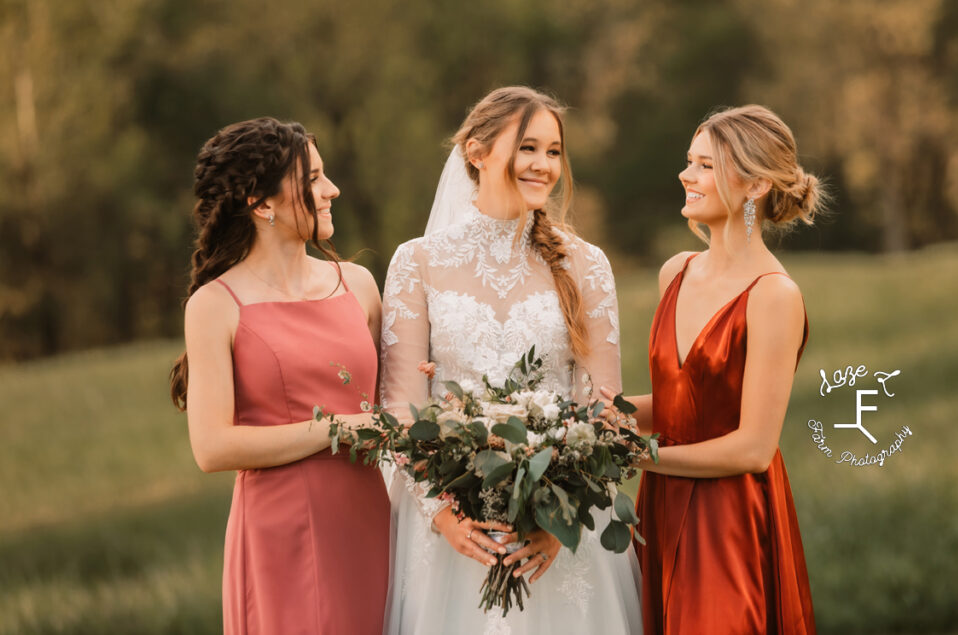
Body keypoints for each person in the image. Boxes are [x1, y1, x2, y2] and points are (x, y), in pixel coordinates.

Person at [380, 86, 643, 634]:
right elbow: (402, 409)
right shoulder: (418, 262)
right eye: (528, 148)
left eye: (553, 151)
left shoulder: (586, 266)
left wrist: (558, 517)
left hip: (555, 535)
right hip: (453, 532)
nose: (544, 165)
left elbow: (603, 408)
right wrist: (446, 517)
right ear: (476, 153)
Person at [169, 117, 390, 634]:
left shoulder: (358, 285)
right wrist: (340, 429)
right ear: (261, 203)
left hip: (370, 519)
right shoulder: (214, 306)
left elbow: (394, 411)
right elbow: (212, 448)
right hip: (281, 533)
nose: (331, 190)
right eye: (312, 180)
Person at [610, 105, 820, 634]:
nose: (686, 175)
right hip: (660, 503)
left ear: (754, 186)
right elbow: (685, 408)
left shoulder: (774, 296)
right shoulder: (675, 272)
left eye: (705, 165)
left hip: (729, 522)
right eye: (689, 161)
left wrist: (637, 455)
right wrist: (595, 417)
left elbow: (752, 446)